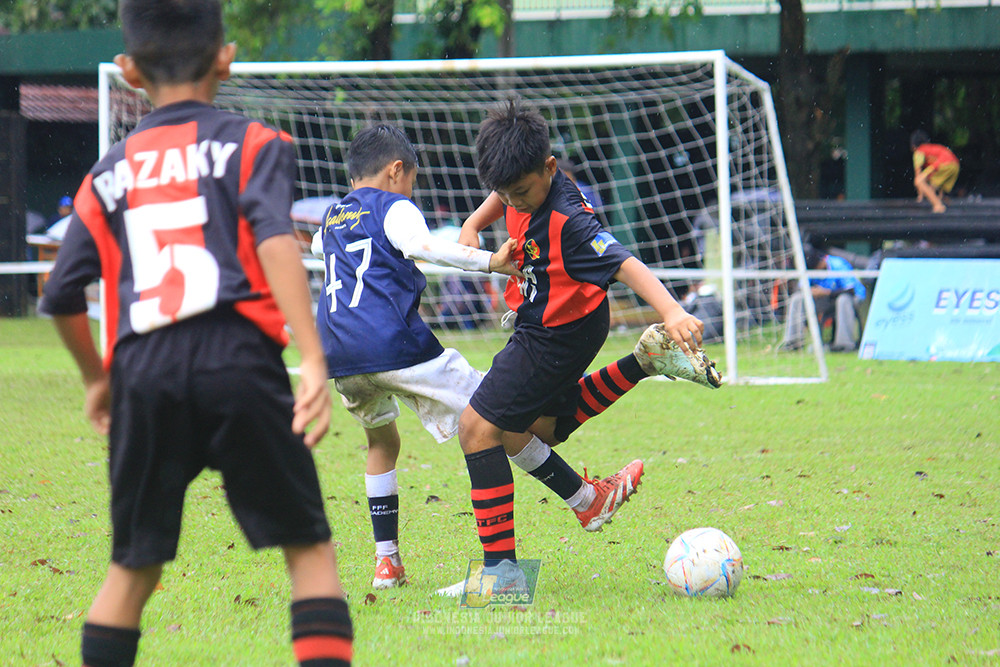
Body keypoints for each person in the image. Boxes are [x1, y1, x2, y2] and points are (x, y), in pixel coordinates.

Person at [38, 2, 352, 665]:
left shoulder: (106, 174)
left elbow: (61, 291)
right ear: (225, 56)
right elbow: (274, 239)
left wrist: (98, 378)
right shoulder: (255, 144)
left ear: (127, 72)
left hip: (143, 370)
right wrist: (314, 357)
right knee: (309, 551)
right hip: (240, 358)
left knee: (133, 567)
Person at [312, 124, 650, 592]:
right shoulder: (395, 207)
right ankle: (583, 501)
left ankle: (386, 564)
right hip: (394, 346)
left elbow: (316, 251)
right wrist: (489, 262)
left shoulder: (332, 217)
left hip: (341, 358)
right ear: (396, 171)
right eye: (411, 179)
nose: (411, 190)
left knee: (382, 444)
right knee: (494, 417)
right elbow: (422, 246)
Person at [453, 99, 721, 577]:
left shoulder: (569, 222)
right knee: (528, 431)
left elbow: (624, 262)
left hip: (557, 334)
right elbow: (502, 193)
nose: (512, 204)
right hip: (553, 321)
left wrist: (673, 310)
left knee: (477, 427)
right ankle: (590, 497)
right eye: (505, 194)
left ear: (550, 168)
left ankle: (502, 577)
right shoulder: (522, 186)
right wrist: (475, 223)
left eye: (521, 192)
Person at [781, 246, 866, 352]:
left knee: (843, 300)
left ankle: (844, 344)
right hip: (825, 300)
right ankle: (793, 342)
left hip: (850, 299)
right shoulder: (809, 270)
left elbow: (851, 291)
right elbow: (801, 287)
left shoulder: (838, 264)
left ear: (821, 262)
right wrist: (809, 291)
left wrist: (825, 292)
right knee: (798, 298)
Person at [910, 130, 959, 213]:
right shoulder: (931, 148)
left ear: (913, 146)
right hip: (955, 165)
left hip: (944, 164)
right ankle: (941, 203)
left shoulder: (919, 151)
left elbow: (918, 173)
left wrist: (920, 195)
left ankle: (938, 205)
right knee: (932, 186)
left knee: (918, 181)